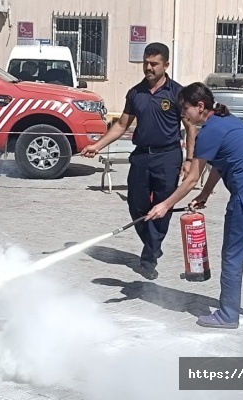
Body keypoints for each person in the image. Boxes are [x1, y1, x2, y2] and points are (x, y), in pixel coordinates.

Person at [145, 82, 243, 329]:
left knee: (232, 258)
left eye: (185, 108)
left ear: (200, 106)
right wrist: (205, 194)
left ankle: (228, 315)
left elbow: (192, 176)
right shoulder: (229, 122)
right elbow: (218, 163)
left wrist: (165, 205)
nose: (183, 114)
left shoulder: (208, 132)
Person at [80, 42, 197, 280]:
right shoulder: (135, 93)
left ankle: (149, 257)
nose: (148, 68)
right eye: (145, 63)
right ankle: (154, 244)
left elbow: (190, 126)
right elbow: (122, 125)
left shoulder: (177, 93)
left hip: (168, 156)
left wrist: (190, 159)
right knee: (136, 206)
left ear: (166, 64)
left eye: (154, 64)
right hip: (142, 156)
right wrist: (97, 146)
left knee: (164, 207)